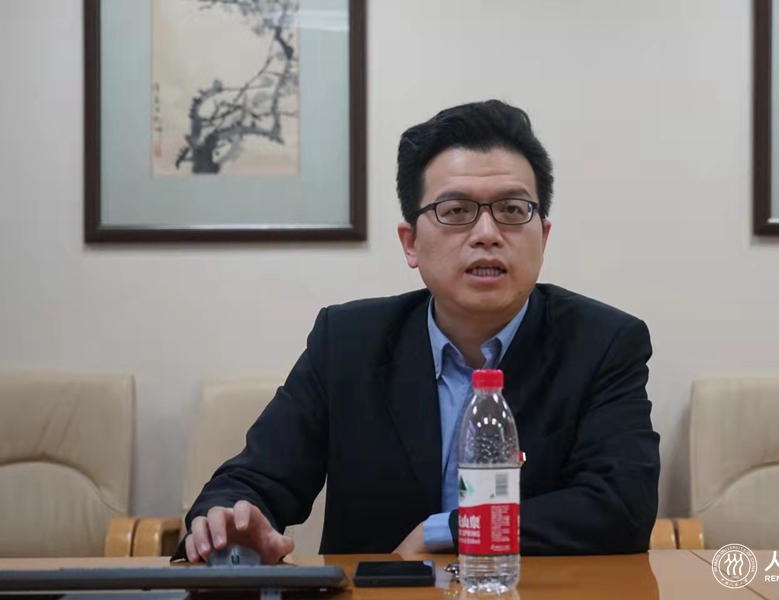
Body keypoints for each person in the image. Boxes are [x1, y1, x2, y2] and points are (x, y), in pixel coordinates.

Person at [175, 100, 660, 564]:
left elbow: (622, 506)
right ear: (410, 243)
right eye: (456, 211)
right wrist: (226, 523)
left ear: (543, 237)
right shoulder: (347, 343)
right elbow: (254, 479)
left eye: (512, 211)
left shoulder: (603, 344)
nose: (487, 233)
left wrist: (447, 531)